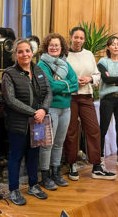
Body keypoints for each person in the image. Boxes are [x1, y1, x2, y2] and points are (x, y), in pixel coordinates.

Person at [1, 39, 52, 205]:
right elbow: (10, 100)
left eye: (27, 51)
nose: (25, 54)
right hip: (19, 124)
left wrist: (43, 110)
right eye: (21, 51)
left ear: (32, 52)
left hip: (38, 122)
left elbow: (48, 92)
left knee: (34, 155)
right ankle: (14, 190)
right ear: (15, 54)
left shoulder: (38, 69)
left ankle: (33, 185)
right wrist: (34, 113)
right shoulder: (9, 73)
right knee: (15, 157)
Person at [64, 26, 116, 181]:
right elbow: (59, 76)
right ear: (71, 38)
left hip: (86, 96)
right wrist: (73, 82)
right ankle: (72, 164)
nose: (78, 40)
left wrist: (89, 79)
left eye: (81, 38)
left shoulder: (88, 55)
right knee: (71, 132)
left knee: (94, 130)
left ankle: (96, 165)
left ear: (84, 40)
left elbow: (97, 75)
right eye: (76, 37)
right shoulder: (64, 55)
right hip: (70, 97)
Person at [37, 33, 78, 190]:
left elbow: (75, 83)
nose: (54, 47)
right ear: (47, 47)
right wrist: (66, 86)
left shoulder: (65, 64)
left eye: (57, 45)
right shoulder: (42, 65)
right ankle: (45, 176)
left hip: (65, 108)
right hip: (50, 108)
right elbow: (50, 86)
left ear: (62, 48)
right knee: (47, 144)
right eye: (51, 45)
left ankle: (56, 172)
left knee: (59, 143)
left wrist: (62, 85)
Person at [97, 36, 118, 170]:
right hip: (107, 99)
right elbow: (106, 79)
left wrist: (114, 80)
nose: (116, 46)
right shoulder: (103, 62)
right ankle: (100, 158)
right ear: (108, 47)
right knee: (103, 128)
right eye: (113, 44)